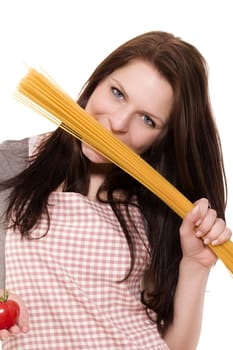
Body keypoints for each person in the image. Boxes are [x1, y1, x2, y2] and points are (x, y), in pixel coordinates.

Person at [0, 31, 231, 350]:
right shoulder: (10, 164)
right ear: (97, 81)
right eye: (117, 93)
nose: (118, 122)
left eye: (148, 120)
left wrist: (196, 265)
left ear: (163, 138)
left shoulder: (160, 211)